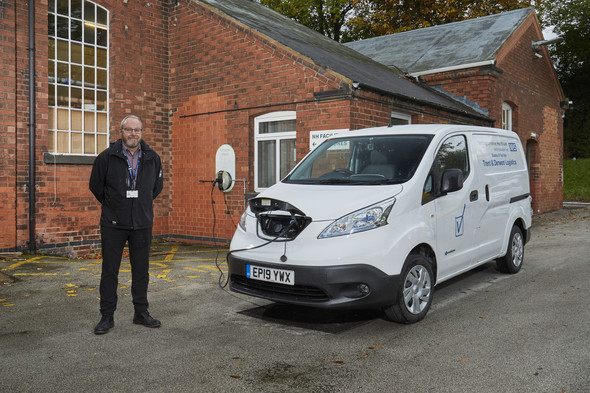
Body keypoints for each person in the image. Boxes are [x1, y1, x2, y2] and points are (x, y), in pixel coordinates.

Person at [89, 115, 164, 334]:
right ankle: (106, 316)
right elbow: (95, 186)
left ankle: (141, 313)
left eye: (137, 130)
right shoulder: (107, 157)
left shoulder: (152, 158)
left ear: (142, 132)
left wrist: (140, 205)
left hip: (142, 223)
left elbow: (156, 187)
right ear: (121, 131)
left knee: (141, 271)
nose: (133, 134)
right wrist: (114, 203)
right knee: (110, 271)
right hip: (113, 223)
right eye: (129, 130)